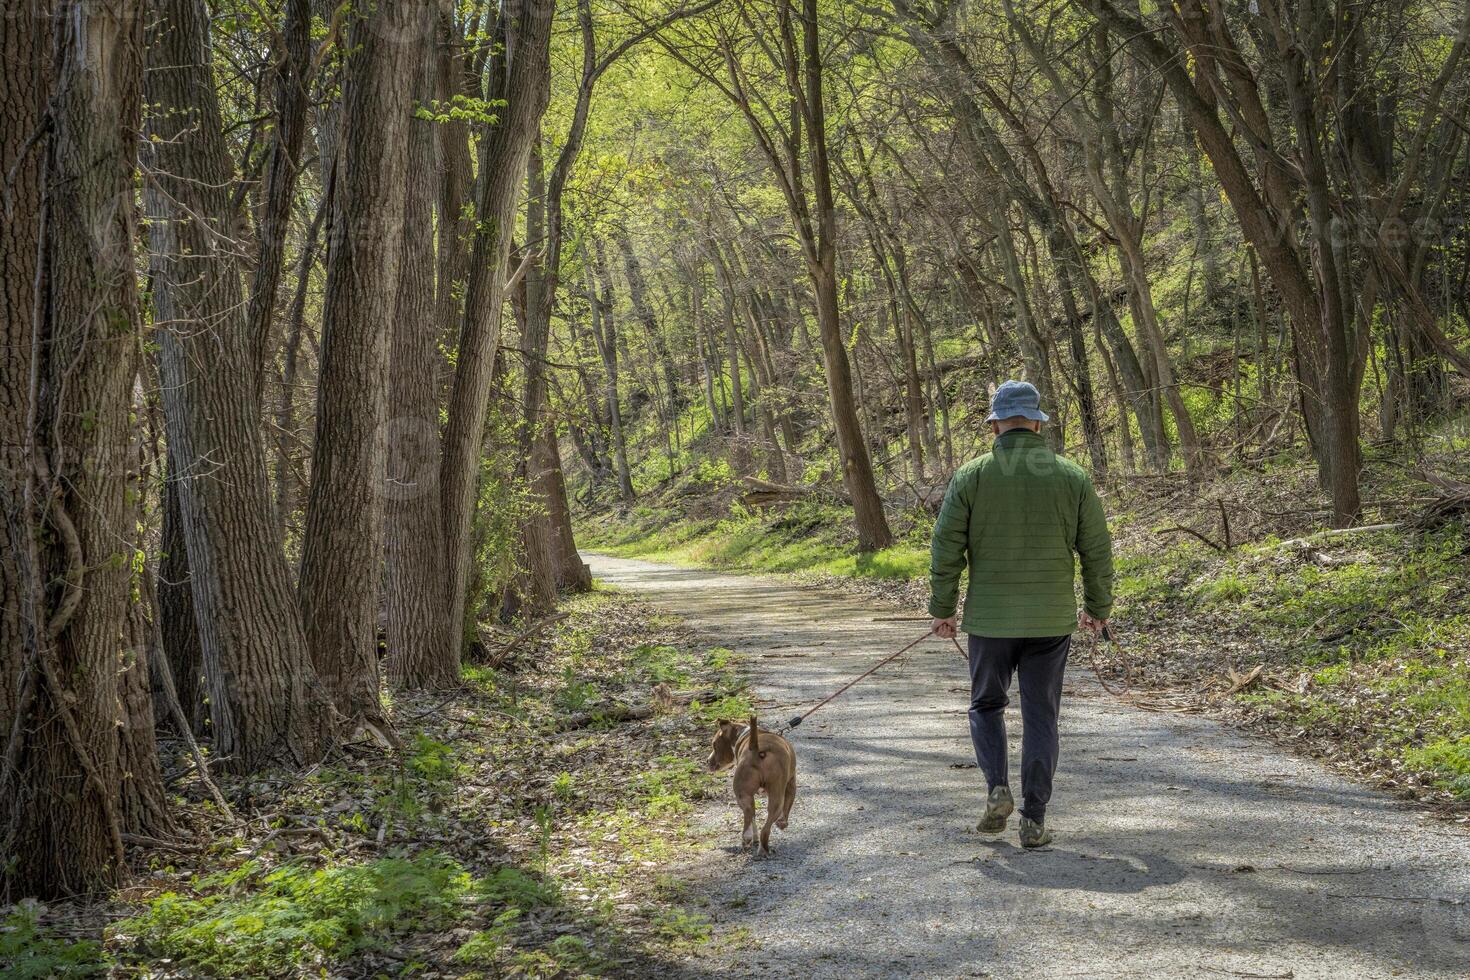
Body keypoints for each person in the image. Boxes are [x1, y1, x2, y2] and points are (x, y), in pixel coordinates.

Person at [927, 380, 1113, 848]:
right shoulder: (1072, 476)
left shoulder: (971, 476)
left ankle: (997, 788)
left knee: (986, 705)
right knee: (1041, 715)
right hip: (1050, 621)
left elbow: (947, 546)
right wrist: (1098, 607)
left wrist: (943, 609)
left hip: (989, 621)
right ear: (1036, 423)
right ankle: (1034, 818)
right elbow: (1096, 549)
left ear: (994, 425)